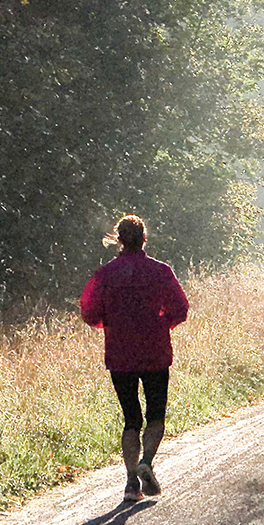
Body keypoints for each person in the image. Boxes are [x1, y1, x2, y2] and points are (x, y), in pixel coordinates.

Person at [80, 215, 190, 503]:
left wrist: (111, 322)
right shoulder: (161, 271)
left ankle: (131, 483)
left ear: (118, 239)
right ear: (144, 239)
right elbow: (180, 308)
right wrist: (162, 322)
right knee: (156, 414)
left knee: (131, 419)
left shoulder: (104, 275)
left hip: (120, 354)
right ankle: (147, 462)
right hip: (155, 352)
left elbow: (89, 313)